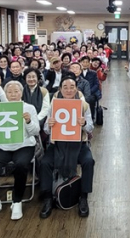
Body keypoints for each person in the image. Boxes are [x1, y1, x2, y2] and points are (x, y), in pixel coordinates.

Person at [39, 76, 95, 219]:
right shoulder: (55, 105)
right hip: (58, 144)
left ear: (76, 88)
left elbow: (90, 127)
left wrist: (83, 124)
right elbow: (46, 130)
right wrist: (49, 124)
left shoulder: (83, 105)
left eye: (72, 87)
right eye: (65, 87)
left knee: (89, 161)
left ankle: (83, 197)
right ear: (60, 89)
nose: (69, 90)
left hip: (78, 144)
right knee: (45, 163)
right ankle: (47, 198)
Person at [0, 81, 40, 221]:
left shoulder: (29, 108)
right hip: (3, 146)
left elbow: (36, 131)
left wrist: (28, 122)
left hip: (24, 145)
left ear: (21, 93)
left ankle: (17, 201)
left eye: (16, 92)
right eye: (10, 92)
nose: (13, 95)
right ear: (5, 93)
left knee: (21, 165)